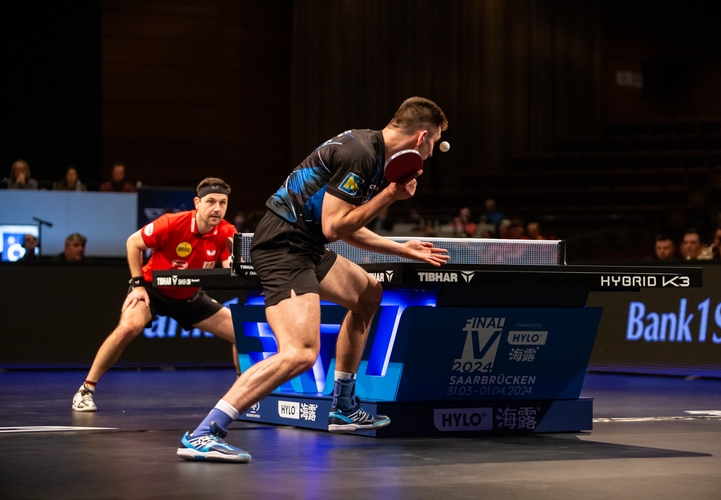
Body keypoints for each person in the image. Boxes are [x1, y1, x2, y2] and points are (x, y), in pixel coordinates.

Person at [177, 97, 450, 463]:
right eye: (433, 144)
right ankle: (206, 432)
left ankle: (343, 404)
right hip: (283, 246)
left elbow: (343, 227)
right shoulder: (361, 155)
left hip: (307, 244)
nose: (431, 153)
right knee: (300, 353)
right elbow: (335, 227)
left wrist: (403, 249)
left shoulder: (370, 153)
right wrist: (389, 196)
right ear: (421, 138)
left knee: (369, 294)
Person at [71, 178, 239, 412]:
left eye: (223, 203)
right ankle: (86, 390)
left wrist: (239, 264)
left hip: (190, 297)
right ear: (197, 203)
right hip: (152, 290)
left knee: (241, 332)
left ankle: (243, 397)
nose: (217, 208)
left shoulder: (227, 231)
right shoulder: (171, 223)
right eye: (211, 201)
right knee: (128, 327)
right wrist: (137, 285)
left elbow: (230, 264)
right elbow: (133, 243)